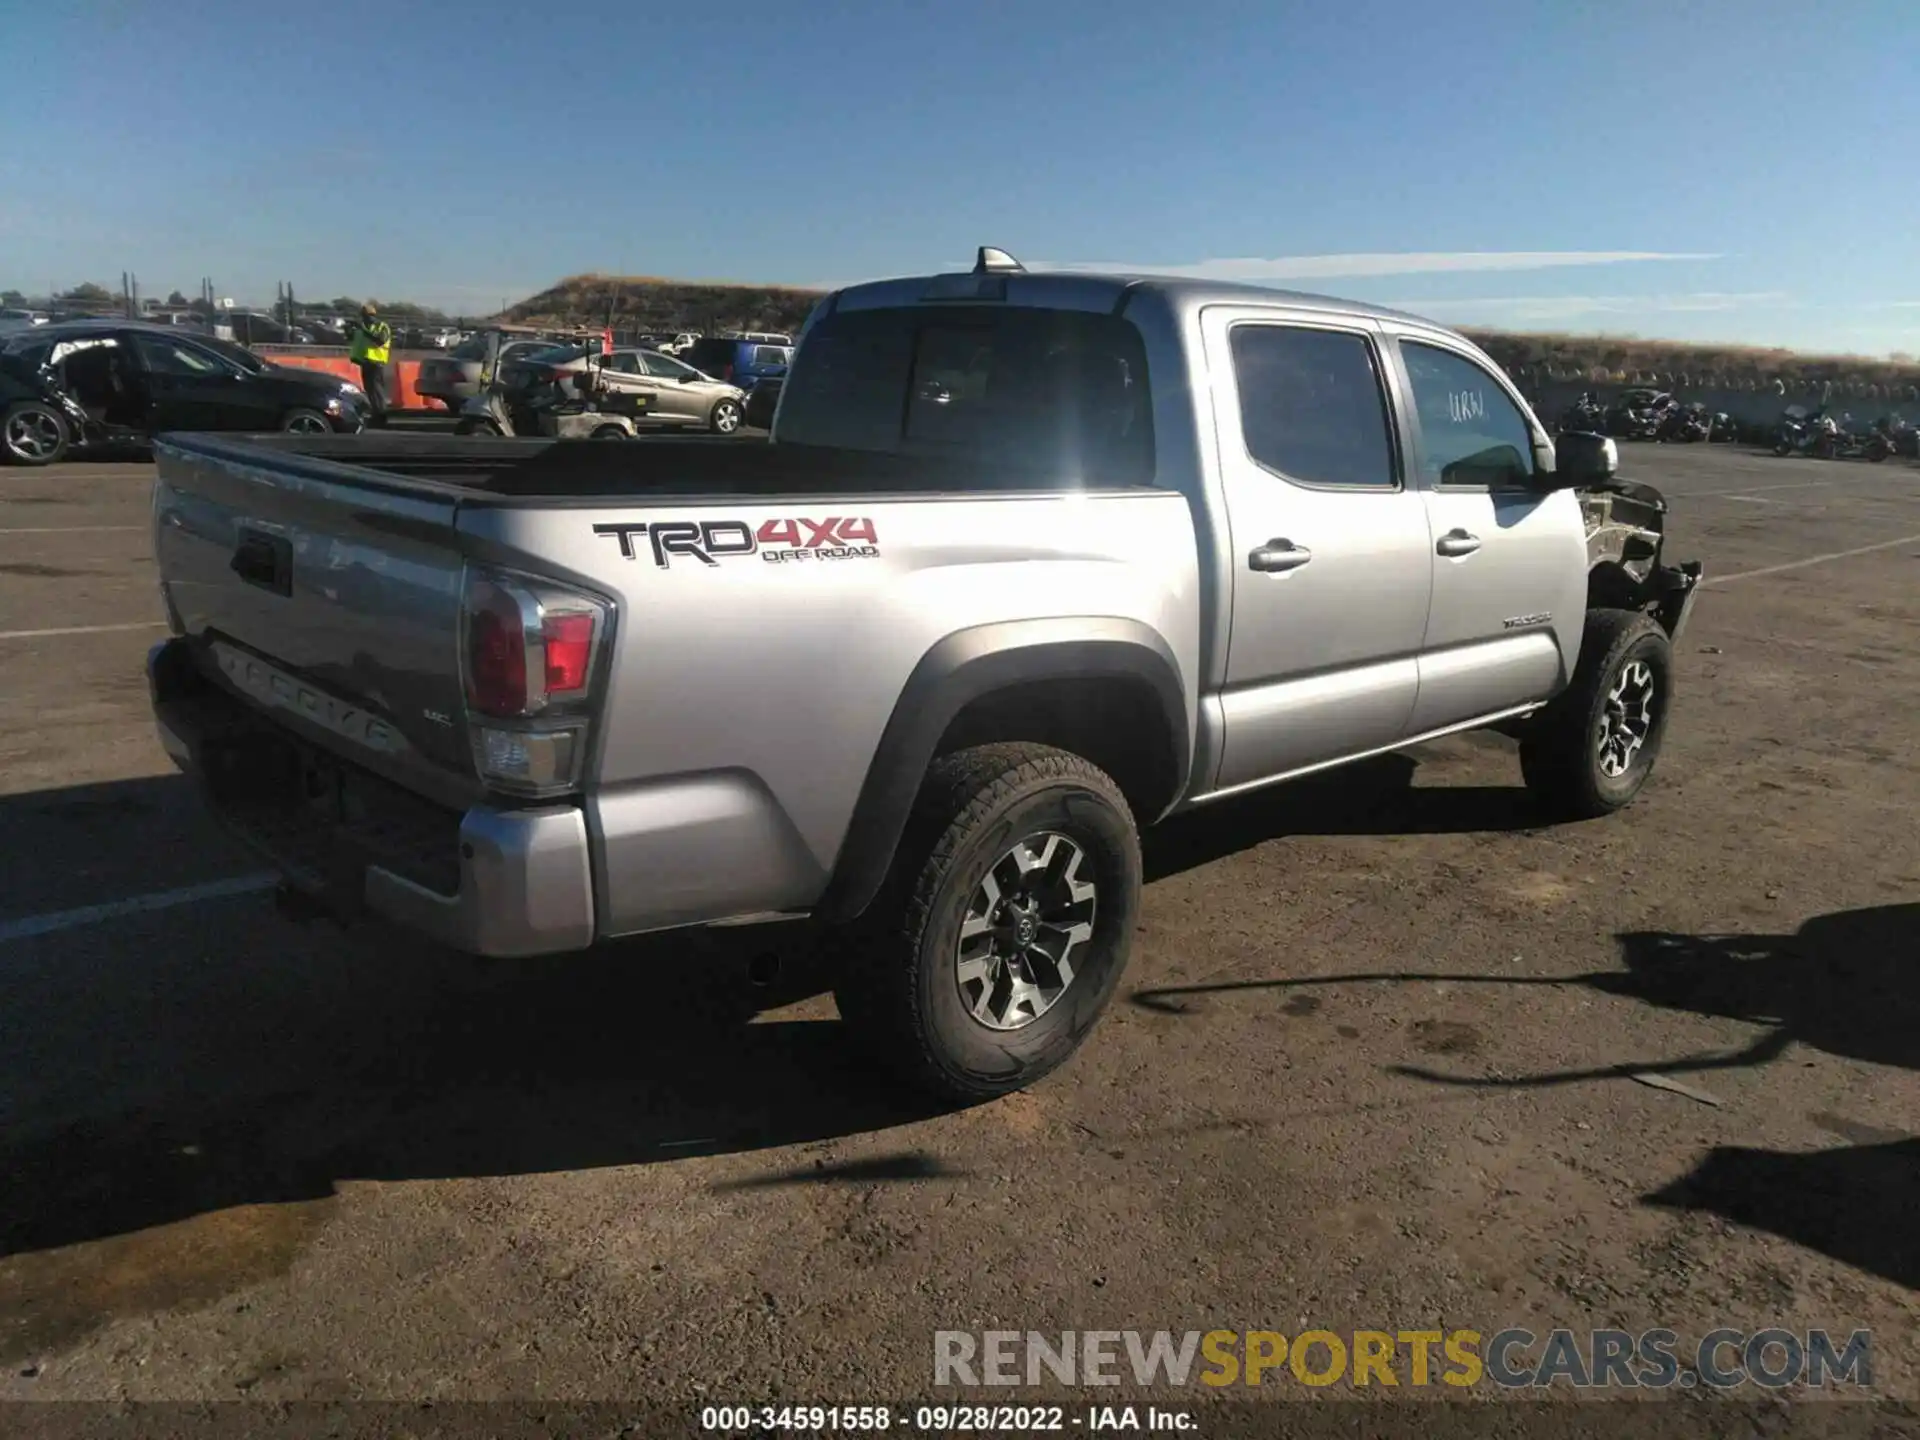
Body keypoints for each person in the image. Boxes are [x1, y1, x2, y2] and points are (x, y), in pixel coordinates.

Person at [346, 303, 393, 425]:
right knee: (370, 390)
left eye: (368, 316)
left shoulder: (382, 327)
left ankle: (382, 416)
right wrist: (348, 330)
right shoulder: (362, 328)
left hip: (376, 363)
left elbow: (380, 341)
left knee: (377, 390)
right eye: (364, 316)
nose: (366, 319)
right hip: (365, 362)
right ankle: (376, 414)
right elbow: (353, 340)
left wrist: (363, 330)